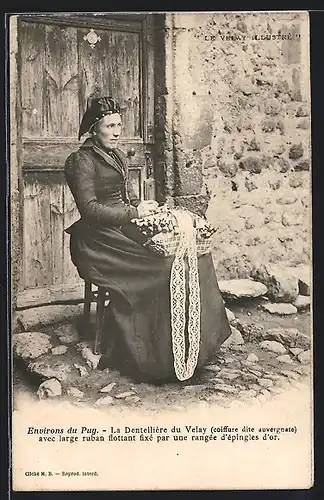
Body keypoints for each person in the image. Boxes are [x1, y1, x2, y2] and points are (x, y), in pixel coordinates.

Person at [64, 96, 231, 383]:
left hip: (120, 228)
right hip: (96, 240)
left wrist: (145, 209)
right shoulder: (81, 160)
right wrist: (133, 212)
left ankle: (196, 346)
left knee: (186, 253)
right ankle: (151, 356)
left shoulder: (115, 154)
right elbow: (89, 210)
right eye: (110, 126)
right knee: (163, 267)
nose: (117, 131)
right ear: (94, 129)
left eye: (119, 125)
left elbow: (125, 199)